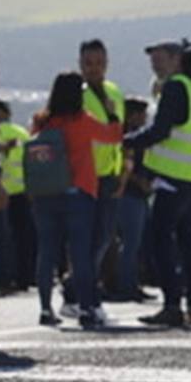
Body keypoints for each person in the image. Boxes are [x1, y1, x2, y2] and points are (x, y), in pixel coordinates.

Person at [124, 37, 191, 328]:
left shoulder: (177, 87)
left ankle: (172, 304)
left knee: (159, 239)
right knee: (188, 242)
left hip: (173, 178)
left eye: (160, 57)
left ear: (178, 60)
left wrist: (125, 141)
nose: (154, 63)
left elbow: (160, 130)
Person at [29, 72, 122, 328]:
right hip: (79, 193)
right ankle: (85, 308)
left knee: (46, 252)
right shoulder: (83, 120)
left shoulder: (42, 121)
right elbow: (113, 136)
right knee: (80, 254)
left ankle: (46, 309)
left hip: (46, 194)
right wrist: (112, 112)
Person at [75, 39, 128, 323]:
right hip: (85, 176)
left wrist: (122, 171)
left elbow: (118, 134)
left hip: (109, 175)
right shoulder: (77, 95)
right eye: (88, 64)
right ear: (80, 65)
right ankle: (86, 294)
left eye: (98, 63)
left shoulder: (114, 92)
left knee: (105, 237)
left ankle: (78, 286)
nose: (94, 69)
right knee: (88, 240)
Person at [110, 97, 154, 302]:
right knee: (130, 242)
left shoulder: (138, 138)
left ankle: (131, 282)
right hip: (129, 194)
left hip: (139, 194)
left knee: (135, 243)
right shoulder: (127, 138)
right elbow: (125, 166)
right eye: (142, 115)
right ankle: (126, 285)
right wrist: (140, 182)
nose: (145, 119)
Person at [0, 100, 35, 294]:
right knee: (24, 237)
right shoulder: (22, 133)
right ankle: (25, 277)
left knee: (2, 238)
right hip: (23, 191)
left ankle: (6, 277)